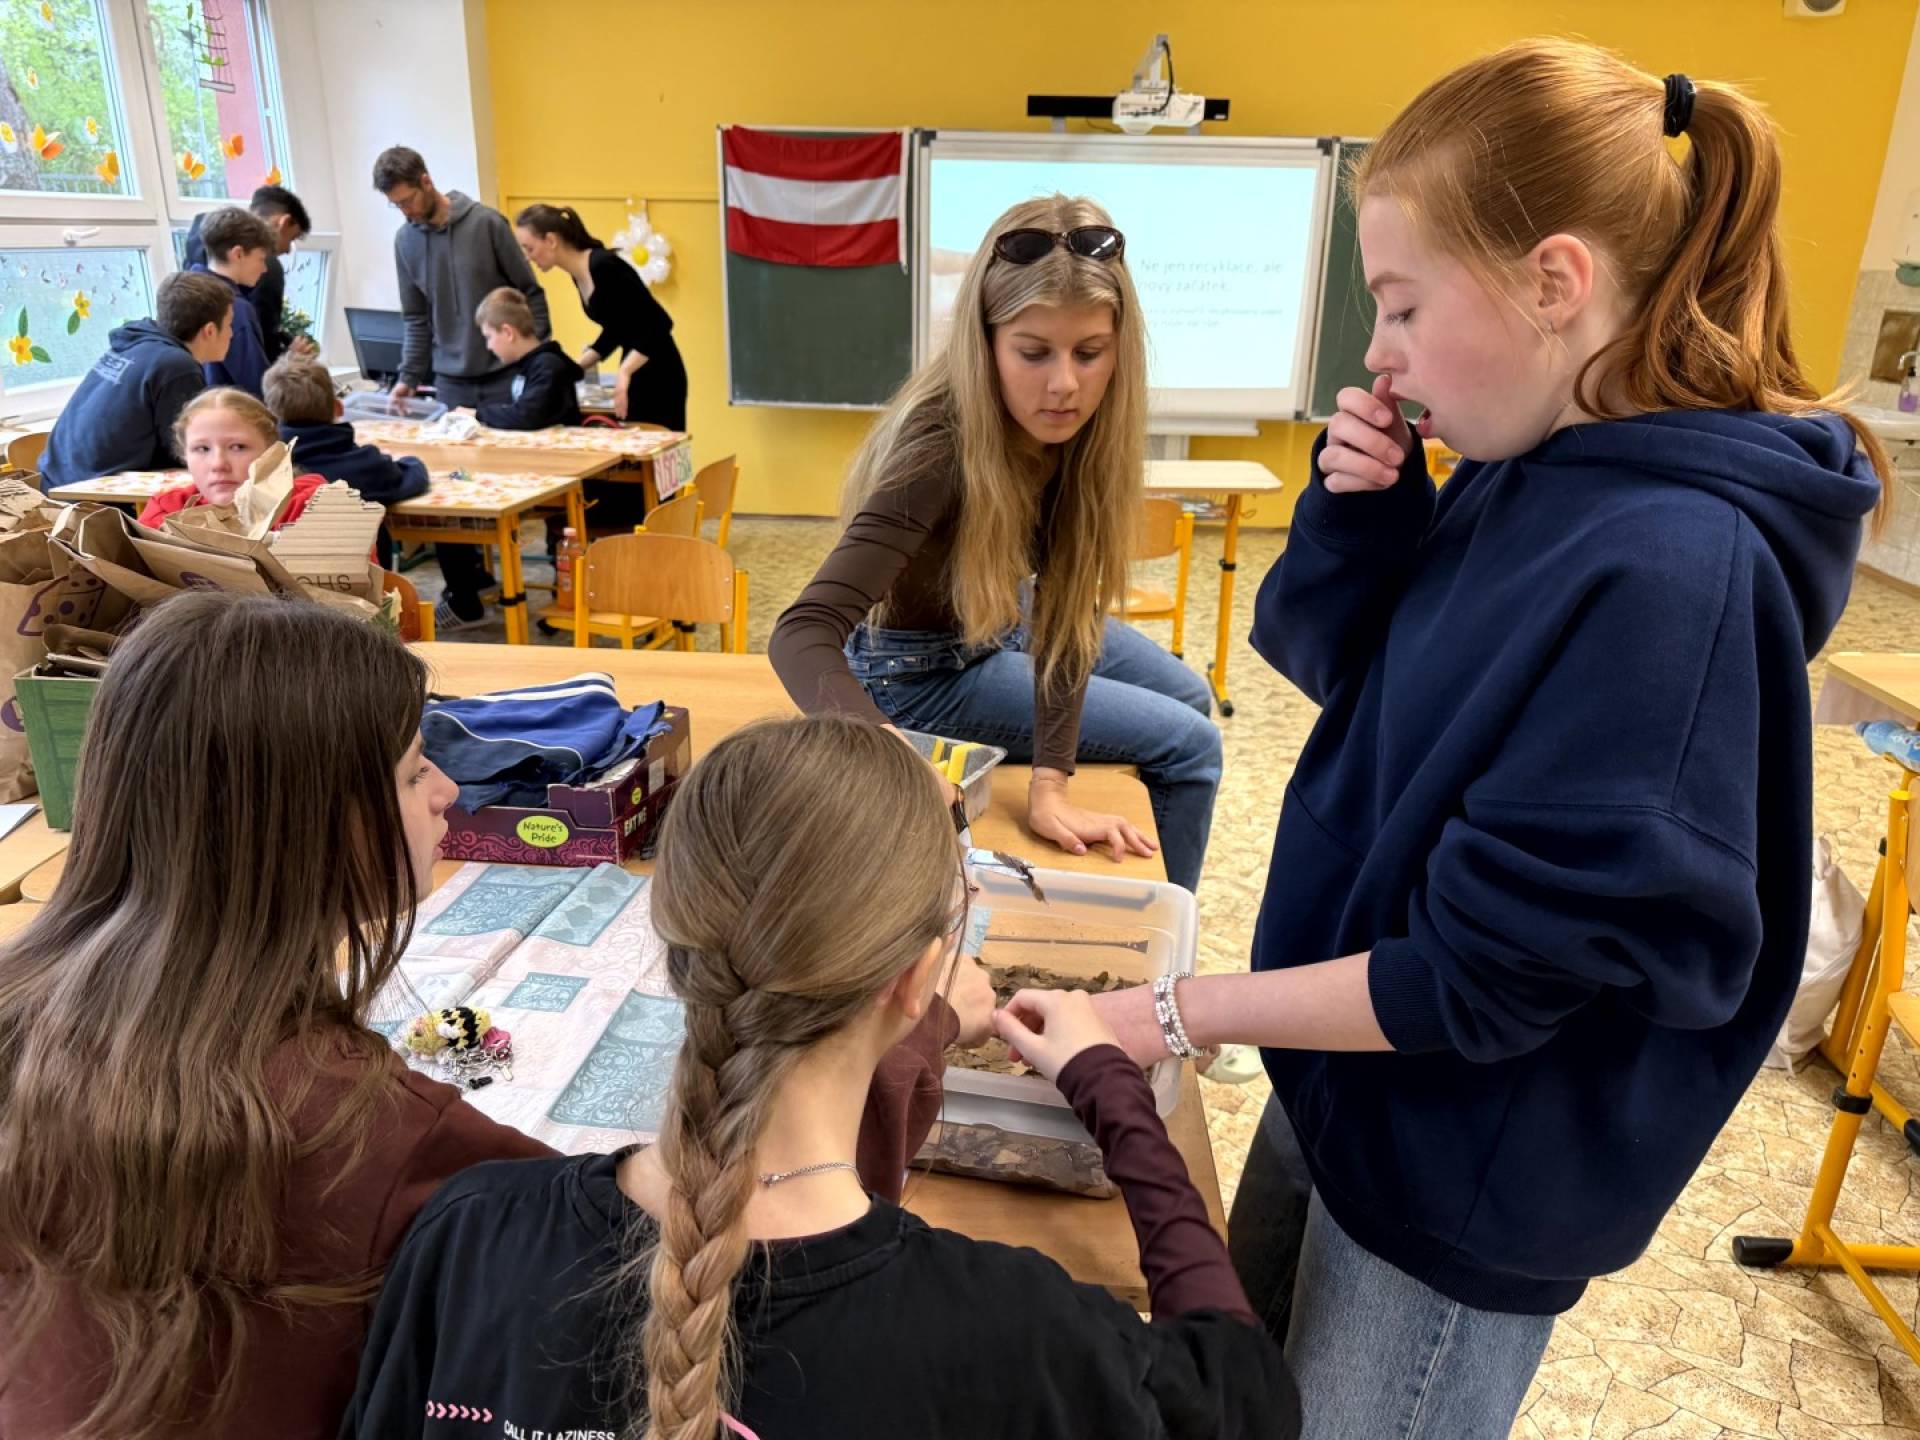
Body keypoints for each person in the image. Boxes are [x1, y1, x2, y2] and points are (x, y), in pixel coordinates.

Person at [1079, 40, 1892, 1438]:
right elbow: (1363, 687)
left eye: (1401, 304)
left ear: (1555, 283)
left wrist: (1176, 1010)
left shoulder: (1672, 574)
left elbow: (1484, 982)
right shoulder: (1532, 470)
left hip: (1455, 1183)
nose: (1378, 352)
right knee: (1238, 1394)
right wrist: (1370, 520)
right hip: (1352, 1078)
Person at [339, 714, 1295, 1439]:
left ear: (671, 939)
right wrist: (1111, 1090)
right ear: (920, 979)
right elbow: (1243, 1392)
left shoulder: (470, 1234)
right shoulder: (1019, 1335)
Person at [0, 593, 557, 1440]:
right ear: (311, 825)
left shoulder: (19, 1008)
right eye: (415, 772)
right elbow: (610, 1234)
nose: (447, 790)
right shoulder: (366, 1125)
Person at [767, 196, 1222, 893]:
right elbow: (801, 632)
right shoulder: (935, 453)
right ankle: (1160, 931)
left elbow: (1065, 612)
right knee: (1192, 747)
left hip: (999, 624)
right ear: (984, 344)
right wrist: (892, 756)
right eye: (1033, 353)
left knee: (1189, 695)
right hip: (915, 674)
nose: (1064, 385)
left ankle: (1137, 898)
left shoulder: (1077, 438)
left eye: (1090, 353)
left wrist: (1051, 785)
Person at [373, 146, 551, 628]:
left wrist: (535, 357)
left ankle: (535, 584)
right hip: (450, 381)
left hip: (503, 374)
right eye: (396, 205)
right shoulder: (405, 241)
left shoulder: (487, 224)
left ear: (426, 182)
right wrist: (408, 377)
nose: (405, 211)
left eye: (408, 200)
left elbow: (530, 293)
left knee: (511, 481)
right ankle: (466, 590)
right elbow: (415, 317)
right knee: (444, 489)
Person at [516, 202, 687, 532]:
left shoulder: (604, 266)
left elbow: (658, 325)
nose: (528, 257)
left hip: (659, 371)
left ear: (551, 240)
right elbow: (618, 328)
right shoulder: (578, 274)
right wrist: (577, 365)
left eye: (529, 247)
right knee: (636, 461)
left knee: (654, 461)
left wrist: (624, 373)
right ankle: (636, 533)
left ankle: (662, 535)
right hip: (637, 366)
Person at [38, 271, 230, 489]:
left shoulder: (135, 344)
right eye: (229, 324)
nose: (232, 334)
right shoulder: (177, 367)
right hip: (90, 498)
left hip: (54, 483)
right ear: (210, 331)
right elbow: (191, 453)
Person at [263, 353, 429, 566]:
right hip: (366, 578)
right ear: (338, 407)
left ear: (270, 415)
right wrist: (412, 461)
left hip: (285, 577)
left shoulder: (266, 468)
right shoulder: (365, 464)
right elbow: (413, 476)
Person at [138, 388, 324, 529]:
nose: (218, 464)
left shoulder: (310, 505)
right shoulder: (167, 510)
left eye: (238, 447)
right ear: (184, 455)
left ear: (272, 453)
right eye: (202, 449)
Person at [183, 184, 314, 362]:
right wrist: (289, 359)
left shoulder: (196, 262)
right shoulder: (264, 274)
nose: (288, 249)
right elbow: (264, 344)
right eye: (291, 238)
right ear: (283, 222)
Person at [187, 205, 274, 396]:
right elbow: (258, 388)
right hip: (231, 409)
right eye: (261, 259)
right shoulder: (235, 309)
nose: (264, 269)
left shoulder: (185, 290)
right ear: (238, 254)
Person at [471, 287, 583, 430]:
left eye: (489, 337)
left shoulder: (547, 365)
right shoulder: (528, 366)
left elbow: (526, 416)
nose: (489, 346)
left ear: (508, 332)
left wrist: (477, 414)